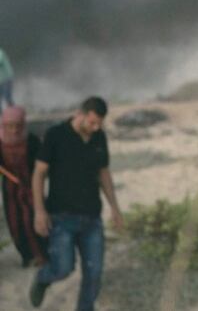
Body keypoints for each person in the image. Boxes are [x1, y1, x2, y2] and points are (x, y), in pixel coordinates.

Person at [29, 96, 124, 311]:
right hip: (61, 217)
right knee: (63, 269)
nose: (95, 127)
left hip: (92, 217)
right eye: (92, 122)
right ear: (80, 114)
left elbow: (104, 173)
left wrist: (115, 208)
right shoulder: (56, 135)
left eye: (99, 123)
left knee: (94, 273)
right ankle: (43, 278)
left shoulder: (99, 137)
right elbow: (39, 174)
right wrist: (39, 211)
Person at [1, 106, 46, 267]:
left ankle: (40, 254)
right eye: (9, 126)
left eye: (17, 126)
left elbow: (41, 166)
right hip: (10, 189)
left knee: (32, 218)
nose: (13, 130)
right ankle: (26, 256)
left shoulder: (32, 141)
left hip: (31, 186)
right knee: (15, 221)